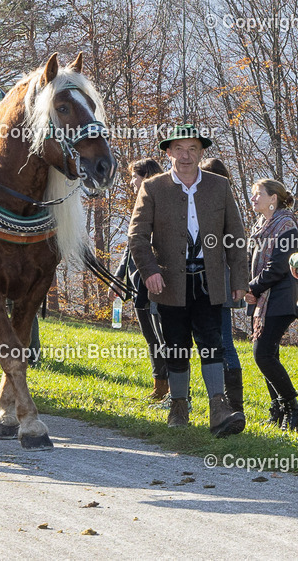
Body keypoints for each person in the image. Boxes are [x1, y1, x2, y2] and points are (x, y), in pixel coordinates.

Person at [128, 124, 249, 437]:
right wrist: (150, 270)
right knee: (176, 346)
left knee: (212, 343)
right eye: (179, 149)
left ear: (201, 152)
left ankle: (219, 406)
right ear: (168, 152)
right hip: (169, 282)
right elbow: (137, 237)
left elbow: (235, 236)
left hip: (209, 281)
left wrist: (239, 278)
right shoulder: (153, 188)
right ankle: (179, 405)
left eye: (192, 149)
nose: (185, 155)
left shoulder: (219, 186)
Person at [242, 178, 298, 430]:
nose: (253, 198)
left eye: (258, 194)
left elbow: (277, 268)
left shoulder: (286, 225)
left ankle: (291, 405)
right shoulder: (262, 224)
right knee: (269, 353)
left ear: (273, 198)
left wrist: (252, 288)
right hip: (265, 299)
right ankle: (278, 409)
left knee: (262, 354)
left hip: (281, 298)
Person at [112, 158, 168, 402]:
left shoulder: (160, 203)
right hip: (137, 283)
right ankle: (160, 385)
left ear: (146, 176)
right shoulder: (138, 204)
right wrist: (118, 277)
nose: (132, 182)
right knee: (150, 337)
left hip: (155, 282)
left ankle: (173, 389)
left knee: (162, 336)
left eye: (135, 176)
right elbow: (130, 248)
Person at [199, 157, 246, 413]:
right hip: (211, 280)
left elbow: (234, 244)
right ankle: (227, 400)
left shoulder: (219, 204)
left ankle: (234, 403)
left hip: (219, 280)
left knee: (224, 341)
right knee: (218, 339)